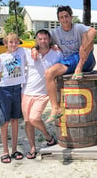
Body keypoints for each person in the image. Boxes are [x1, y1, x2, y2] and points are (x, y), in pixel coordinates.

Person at [33, 6, 97, 122]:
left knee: (86, 36)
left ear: (71, 17)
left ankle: (79, 68)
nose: (64, 19)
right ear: (58, 20)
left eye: (66, 16)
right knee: (49, 73)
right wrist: (34, 48)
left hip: (86, 59)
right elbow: (42, 40)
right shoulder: (55, 33)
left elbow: (93, 31)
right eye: (61, 17)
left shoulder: (78, 27)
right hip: (70, 60)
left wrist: (83, 47)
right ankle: (55, 108)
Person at [22, 29, 63, 159]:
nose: (43, 41)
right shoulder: (29, 53)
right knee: (28, 121)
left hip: (43, 93)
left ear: (49, 40)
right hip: (26, 92)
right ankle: (32, 148)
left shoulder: (56, 54)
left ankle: (47, 135)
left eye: (45, 39)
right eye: (40, 39)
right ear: (36, 40)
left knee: (34, 118)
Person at [0, 33, 27, 163]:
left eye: (15, 42)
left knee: (15, 120)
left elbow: (36, 47)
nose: (13, 44)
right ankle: (5, 151)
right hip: (4, 90)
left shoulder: (22, 53)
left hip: (17, 89)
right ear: (6, 44)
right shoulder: (1, 58)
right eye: (10, 42)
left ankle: (14, 149)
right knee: (4, 121)